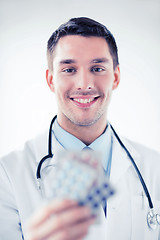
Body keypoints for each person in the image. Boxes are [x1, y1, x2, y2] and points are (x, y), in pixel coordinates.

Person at [0, 17, 160, 240]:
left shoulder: (154, 168)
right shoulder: (7, 175)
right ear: (50, 80)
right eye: (69, 69)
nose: (84, 84)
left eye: (97, 68)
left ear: (115, 77)